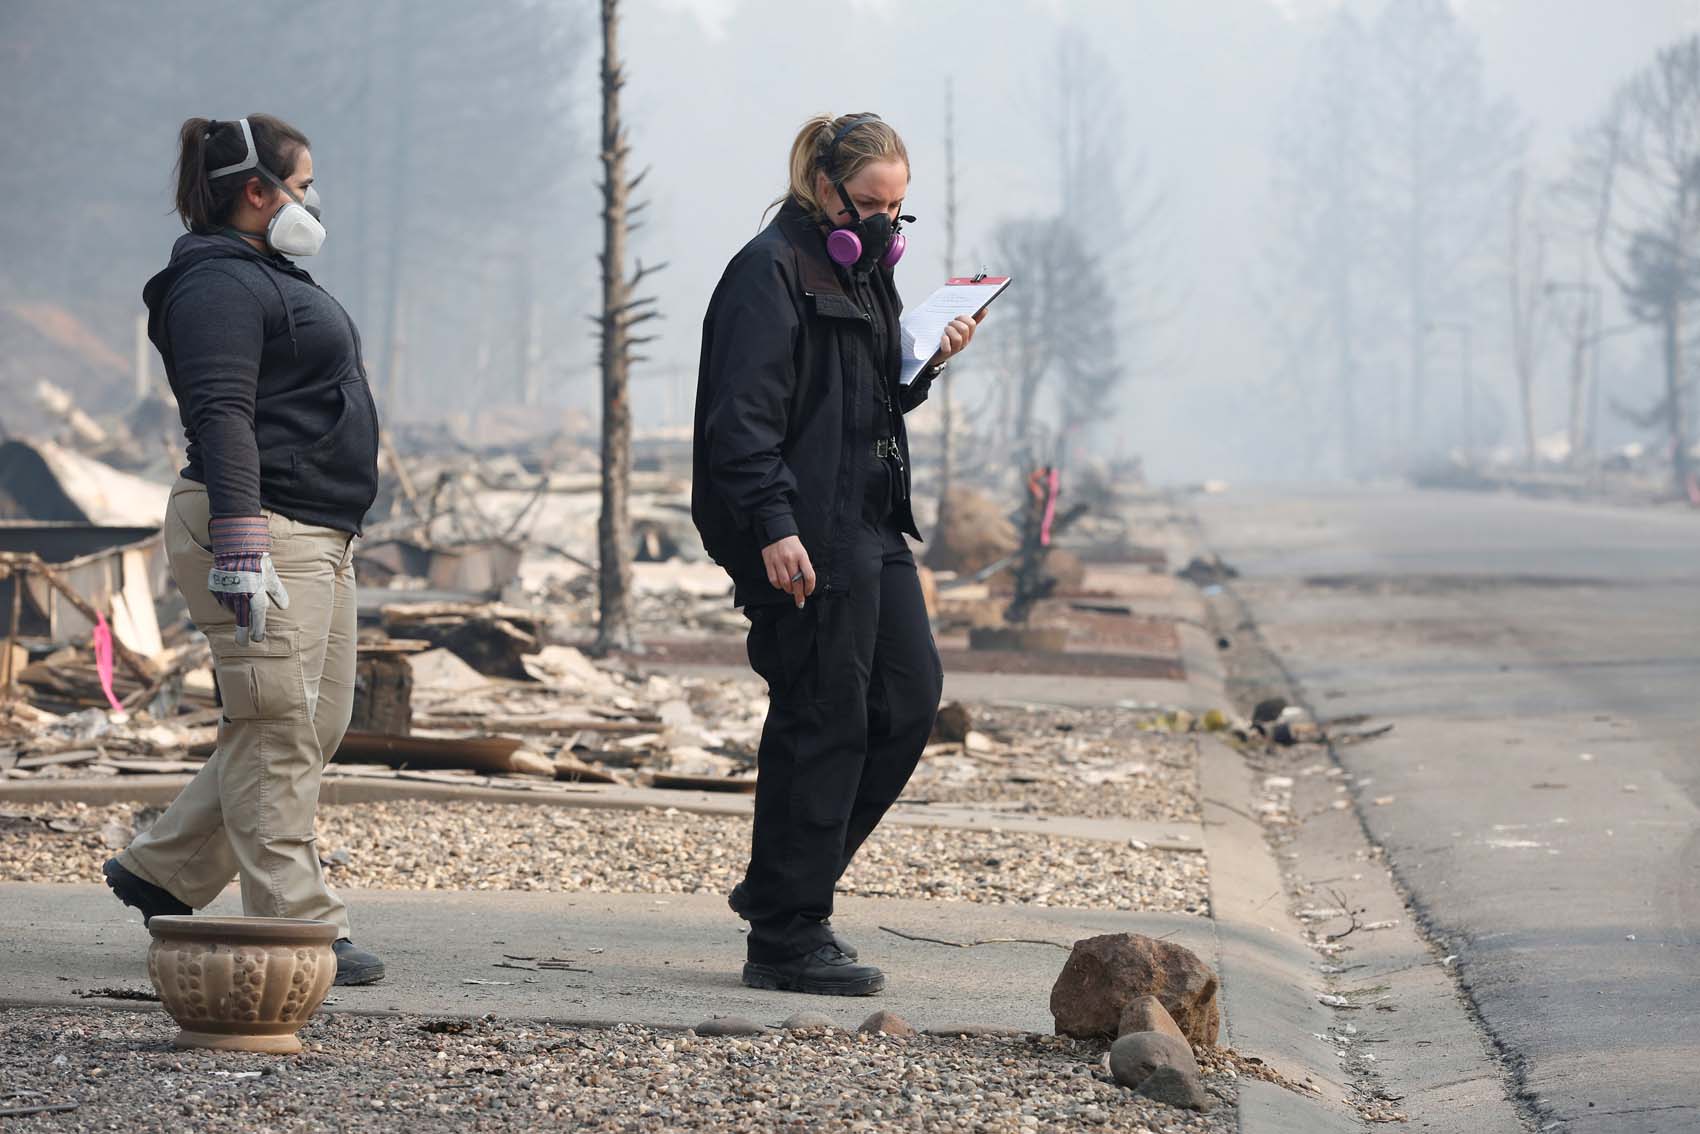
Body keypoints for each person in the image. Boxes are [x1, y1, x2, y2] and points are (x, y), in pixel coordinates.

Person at [692, 113, 980, 995]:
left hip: (869, 521)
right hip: (804, 533)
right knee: (824, 716)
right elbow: (740, 425)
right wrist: (774, 527)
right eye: (871, 205)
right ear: (824, 187)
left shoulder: (859, 274)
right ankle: (786, 933)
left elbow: (862, 400)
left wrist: (924, 364)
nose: (888, 225)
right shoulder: (765, 272)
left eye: (900, 209)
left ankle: (786, 885)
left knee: (907, 699)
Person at [102, 114, 386, 986]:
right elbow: (221, 411)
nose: (310, 202)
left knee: (316, 719)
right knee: (276, 727)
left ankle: (163, 869)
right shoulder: (215, 286)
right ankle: (294, 924)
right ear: (256, 192)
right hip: (261, 525)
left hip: (317, 530)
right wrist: (239, 537)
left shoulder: (262, 271)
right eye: (301, 187)